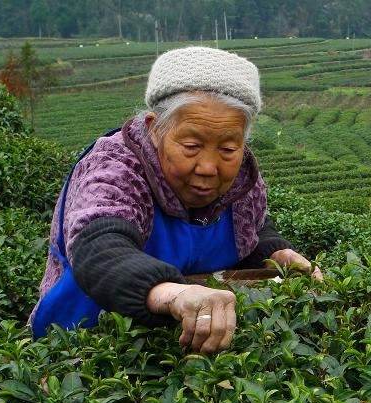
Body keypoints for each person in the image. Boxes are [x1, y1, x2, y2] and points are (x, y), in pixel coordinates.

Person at [30, 46, 321, 354]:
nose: (208, 168)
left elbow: (249, 224)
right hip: (85, 352)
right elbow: (99, 247)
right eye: (192, 145)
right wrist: (172, 295)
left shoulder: (241, 176)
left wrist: (275, 252)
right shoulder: (115, 167)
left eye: (227, 149)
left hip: (184, 349)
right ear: (155, 129)